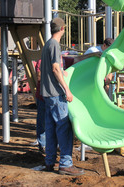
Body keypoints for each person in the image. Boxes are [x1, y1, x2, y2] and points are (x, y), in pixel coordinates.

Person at [40, 17, 84, 176]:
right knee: (64, 129)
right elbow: (55, 68)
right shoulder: (55, 45)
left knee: (50, 130)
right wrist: (67, 89)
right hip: (57, 94)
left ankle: (50, 162)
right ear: (63, 29)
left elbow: (52, 69)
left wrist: (62, 72)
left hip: (47, 95)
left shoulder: (47, 45)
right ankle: (66, 164)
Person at [34, 59, 46, 153]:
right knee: (42, 121)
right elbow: (39, 77)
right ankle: (43, 145)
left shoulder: (61, 59)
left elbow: (76, 59)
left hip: (54, 97)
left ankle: (55, 144)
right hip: (43, 97)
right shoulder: (41, 61)